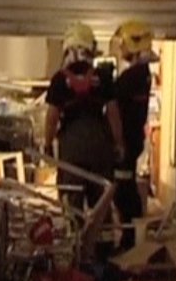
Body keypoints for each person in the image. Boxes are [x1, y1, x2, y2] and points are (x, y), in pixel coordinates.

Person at [44, 22, 125, 216]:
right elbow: (113, 113)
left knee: (72, 205)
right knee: (101, 204)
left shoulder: (59, 80)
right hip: (100, 145)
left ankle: (76, 243)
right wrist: (119, 143)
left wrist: (47, 145)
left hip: (71, 149)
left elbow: (52, 118)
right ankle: (103, 245)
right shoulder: (103, 77)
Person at [110, 20, 158, 252]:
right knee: (124, 186)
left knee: (123, 190)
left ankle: (130, 240)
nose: (121, 48)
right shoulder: (143, 74)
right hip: (132, 140)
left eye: (123, 43)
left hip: (125, 143)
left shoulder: (132, 77)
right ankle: (131, 236)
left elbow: (113, 102)